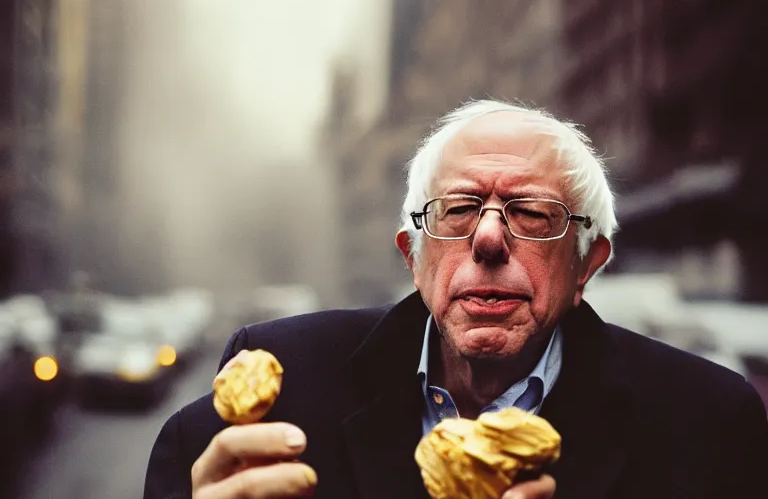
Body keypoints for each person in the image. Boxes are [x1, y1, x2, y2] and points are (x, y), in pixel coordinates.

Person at [144, 100, 768, 499]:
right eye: (460, 210)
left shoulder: (710, 429)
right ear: (414, 258)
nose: (489, 238)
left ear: (587, 265)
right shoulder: (277, 396)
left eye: (530, 213)